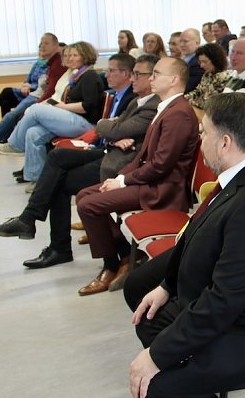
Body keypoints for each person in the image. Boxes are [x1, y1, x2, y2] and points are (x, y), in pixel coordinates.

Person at [128, 90, 245, 398]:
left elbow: (227, 298)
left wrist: (157, 357)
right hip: (239, 305)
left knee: (158, 386)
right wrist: (167, 285)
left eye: (204, 133)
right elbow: (196, 231)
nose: (200, 139)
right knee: (149, 320)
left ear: (225, 143)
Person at [0, 55, 161, 268]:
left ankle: (56, 245)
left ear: (152, 77)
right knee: (57, 156)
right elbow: (113, 128)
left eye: (137, 74)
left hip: (121, 163)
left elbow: (111, 127)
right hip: (111, 151)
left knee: (58, 181)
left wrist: (108, 128)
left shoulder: (152, 105)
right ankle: (30, 220)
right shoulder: (137, 101)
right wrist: (112, 130)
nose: (132, 79)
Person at [75, 57, 199, 296]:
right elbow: (142, 157)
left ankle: (111, 265)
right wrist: (118, 178)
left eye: (157, 74)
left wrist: (123, 182)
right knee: (84, 195)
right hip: (151, 181)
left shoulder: (179, 113)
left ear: (174, 79)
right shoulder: (166, 108)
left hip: (162, 189)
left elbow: (161, 165)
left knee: (89, 205)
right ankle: (124, 258)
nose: (151, 78)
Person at [4, 41, 104, 183]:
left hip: (86, 125)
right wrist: (57, 105)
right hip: (72, 120)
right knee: (33, 132)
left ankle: (15, 145)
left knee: (36, 109)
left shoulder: (90, 76)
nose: (70, 58)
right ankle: (36, 179)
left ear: (85, 56)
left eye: (75, 55)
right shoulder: (76, 76)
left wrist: (61, 107)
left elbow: (87, 106)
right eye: (68, 55)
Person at [0, 33, 66, 156]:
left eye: (46, 43)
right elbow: (34, 81)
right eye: (41, 44)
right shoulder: (47, 62)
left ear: (56, 45)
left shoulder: (57, 63)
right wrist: (25, 85)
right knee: (7, 99)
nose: (42, 46)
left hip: (38, 97)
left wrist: (36, 105)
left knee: (13, 114)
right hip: (35, 94)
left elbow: (50, 91)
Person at [184, 43, 230, 111]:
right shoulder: (207, 74)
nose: (201, 65)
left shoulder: (223, 77)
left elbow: (208, 101)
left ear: (215, 60)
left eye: (205, 62)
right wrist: (182, 99)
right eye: (200, 62)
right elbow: (197, 92)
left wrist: (189, 102)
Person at [178, 28, 204, 92]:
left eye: (185, 41)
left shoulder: (198, 63)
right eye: (180, 41)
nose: (181, 45)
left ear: (197, 43)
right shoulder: (183, 59)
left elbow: (188, 88)